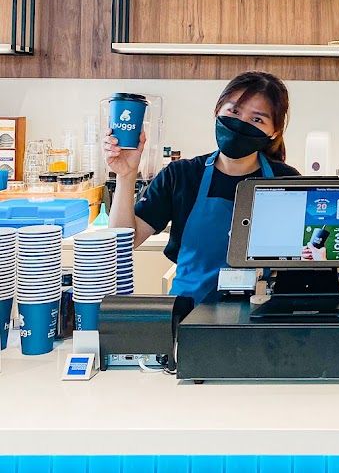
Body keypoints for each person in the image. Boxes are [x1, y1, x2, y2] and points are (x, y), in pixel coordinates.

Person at [105, 71, 299, 303]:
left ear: (274, 131)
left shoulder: (286, 182)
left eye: (257, 119)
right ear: (217, 111)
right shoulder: (181, 175)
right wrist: (125, 175)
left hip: (256, 320)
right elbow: (122, 244)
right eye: (234, 111)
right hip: (187, 318)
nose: (240, 124)